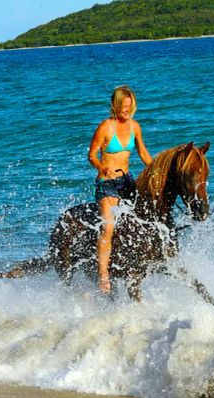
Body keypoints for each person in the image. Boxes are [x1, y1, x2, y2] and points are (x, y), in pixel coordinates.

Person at [88, 85, 153, 295]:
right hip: (107, 184)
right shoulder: (106, 127)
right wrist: (101, 167)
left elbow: (142, 152)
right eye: (123, 106)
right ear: (116, 105)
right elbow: (92, 155)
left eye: (130, 106)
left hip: (127, 182)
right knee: (108, 226)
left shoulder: (135, 127)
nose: (127, 109)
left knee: (145, 219)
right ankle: (104, 274)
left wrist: (154, 170)